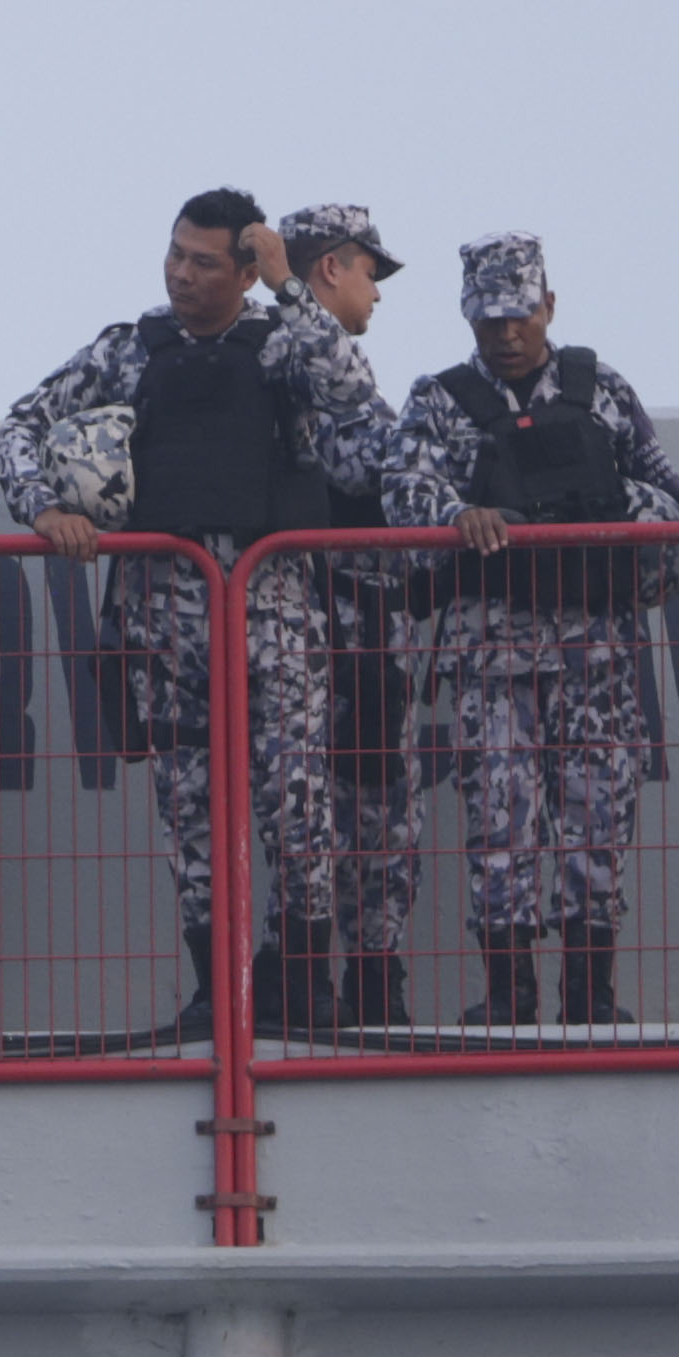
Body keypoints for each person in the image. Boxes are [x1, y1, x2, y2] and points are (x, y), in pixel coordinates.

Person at [5, 188, 414, 1037]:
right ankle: (213, 988)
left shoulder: (283, 344)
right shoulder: (131, 349)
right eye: (175, 255)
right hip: (165, 611)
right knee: (190, 808)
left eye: (203, 261)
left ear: (242, 267)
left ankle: (303, 984)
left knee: (297, 800)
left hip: (276, 608)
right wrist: (45, 507)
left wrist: (288, 289)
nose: (182, 274)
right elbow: (21, 423)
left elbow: (352, 393)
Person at [387, 237, 679, 1026]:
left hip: (597, 651)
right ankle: (510, 996)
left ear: (548, 306)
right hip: (493, 654)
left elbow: (674, 502)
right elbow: (403, 489)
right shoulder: (440, 399)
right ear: (467, 317)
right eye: (489, 319)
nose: (506, 333)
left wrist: (612, 516)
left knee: (599, 825)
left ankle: (591, 995)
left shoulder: (600, 389)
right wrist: (461, 514)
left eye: (519, 314)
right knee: (499, 828)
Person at [272, 203, 434, 1024]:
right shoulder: (289, 357)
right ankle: (320, 979)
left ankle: (372, 980)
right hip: (322, 621)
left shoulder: (328, 363)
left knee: (376, 803)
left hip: (369, 629)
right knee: (317, 805)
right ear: (331, 267)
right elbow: (366, 458)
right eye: (371, 271)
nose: (377, 292)